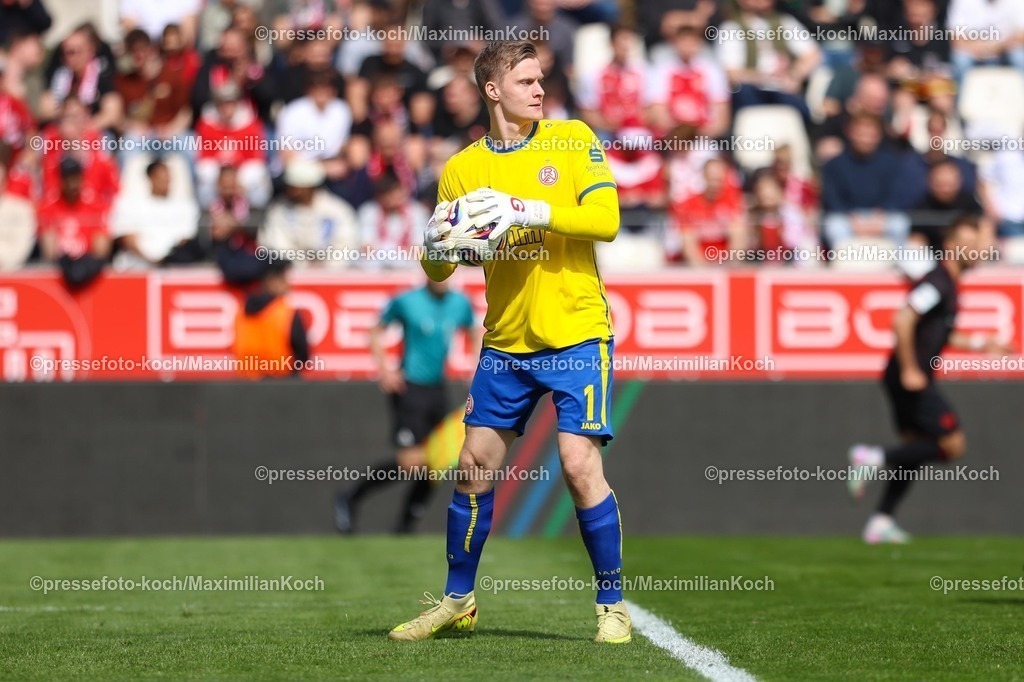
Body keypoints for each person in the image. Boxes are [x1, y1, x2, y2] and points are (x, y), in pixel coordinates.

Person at [389, 41, 630, 644]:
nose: (539, 89)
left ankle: (612, 605)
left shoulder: (573, 139)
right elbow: (440, 271)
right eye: (525, 81)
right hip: (506, 344)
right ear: (492, 90)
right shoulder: (463, 168)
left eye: (540, 79)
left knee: (578, 465)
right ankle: (458, 600)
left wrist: (528, 207)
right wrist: (437, 244)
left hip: (576, 332)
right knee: (472, 466)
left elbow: (606, 221)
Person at [846, 216, 1011, 544]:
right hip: (910, 377)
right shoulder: (936, 283)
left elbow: (941, 333)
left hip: (903, 376)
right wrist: (911, 368)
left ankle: (880, 522)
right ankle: (871, 457)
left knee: (915, 450)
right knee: (952, 445)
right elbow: (902, 319)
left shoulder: (949, 284)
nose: (978, 249)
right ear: (951, 247)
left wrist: (982, 343)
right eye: (970, 242)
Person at [334, 277, 476, 534]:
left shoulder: (459, 303)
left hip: (438, 388)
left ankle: (405, 526)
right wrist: (385, 369)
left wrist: (475, 366)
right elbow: (376, 329)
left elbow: (474, 330)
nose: (444, 275)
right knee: (412, 461)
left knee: (437, 461)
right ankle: (351, 497)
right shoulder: (407, 301)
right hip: (410, 387)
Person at [233, 260, 310, 379]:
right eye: (284, 279)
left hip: (246, 387)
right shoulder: (287, 312)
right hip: (281, 387)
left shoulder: (240, 312)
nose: (288, 285)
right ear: (272, 281)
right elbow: (303, 355)